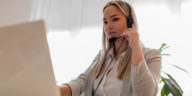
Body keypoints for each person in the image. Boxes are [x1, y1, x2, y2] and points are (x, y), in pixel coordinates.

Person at [59, 0, 162, 96]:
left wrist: (135, 46)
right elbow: (83, 81)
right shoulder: (102, 55)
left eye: (115, 19)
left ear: (130, 22)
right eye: (105, 22)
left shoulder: (152, 56)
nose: (108, 26)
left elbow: (146, 92)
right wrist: (57, 89)